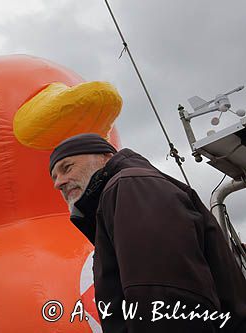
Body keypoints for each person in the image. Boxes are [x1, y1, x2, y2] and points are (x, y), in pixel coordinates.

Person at [49, 133, 246, 332]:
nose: (59, 183)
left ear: (106, 157)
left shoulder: (131, 186)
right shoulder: (122, 193)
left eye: (67, 167)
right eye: (54, 177)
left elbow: (165, 298)